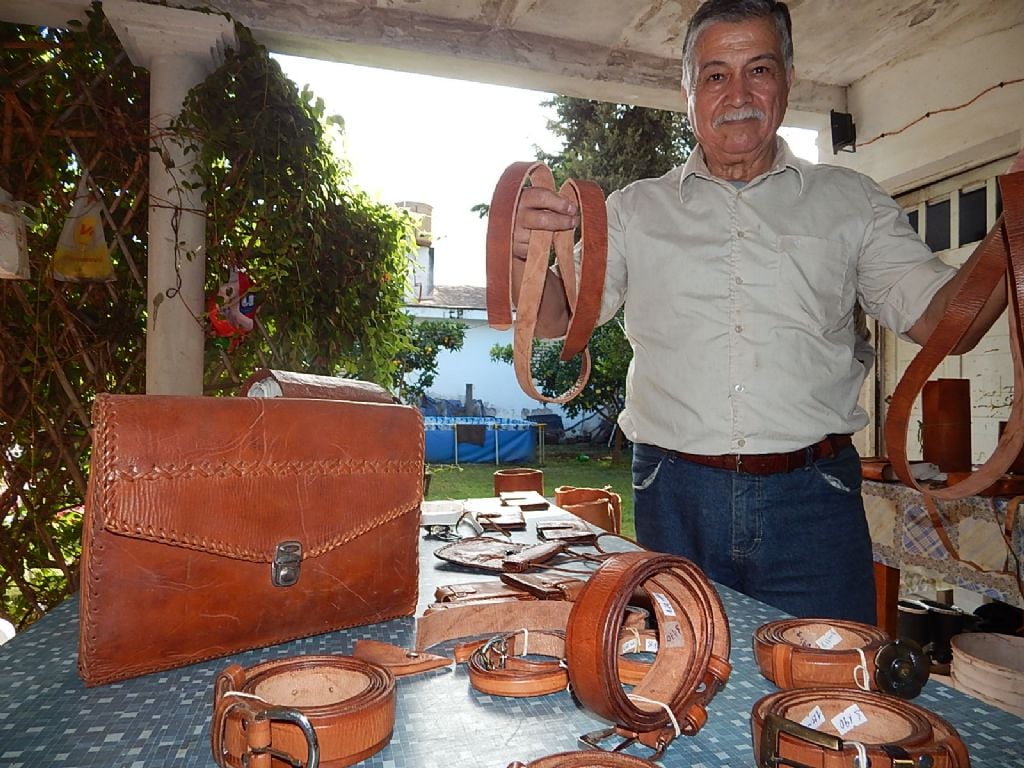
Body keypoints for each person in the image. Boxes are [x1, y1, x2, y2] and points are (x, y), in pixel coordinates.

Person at [509, 0, 1006, 623]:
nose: (738, 95)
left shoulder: (851, 202)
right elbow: (557, 319)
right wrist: (524, 254)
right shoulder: (634, 211)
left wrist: (1011, 234)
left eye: (759, 70)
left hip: (813, 499)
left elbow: (948, 326)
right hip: (674, 494)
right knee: (680, 670)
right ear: (688, 91)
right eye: (715, 75)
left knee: (829, 673)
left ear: (788, 80)